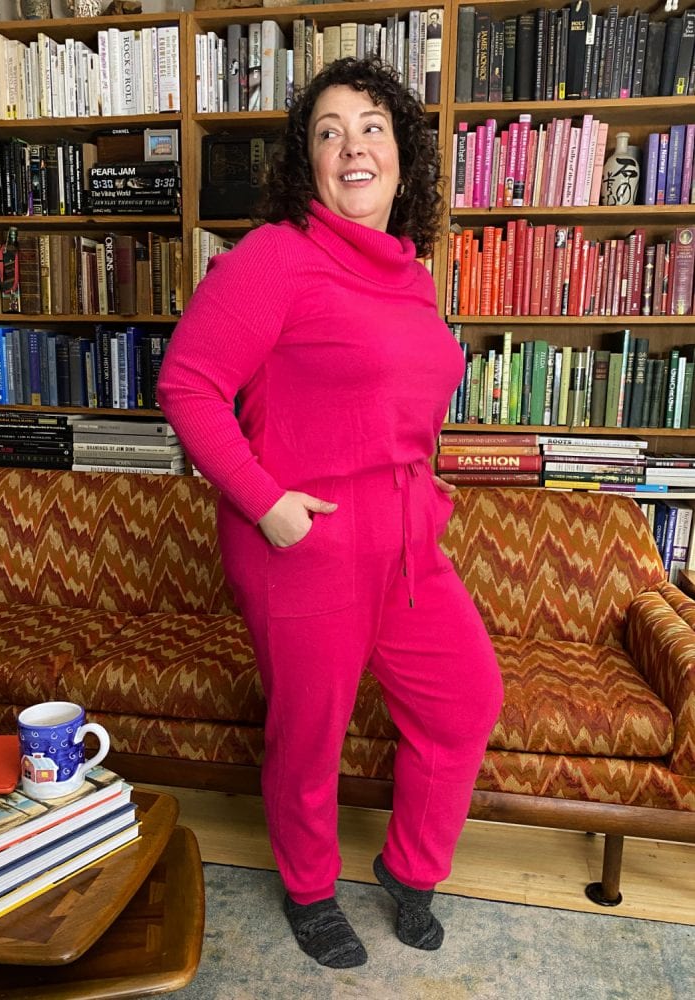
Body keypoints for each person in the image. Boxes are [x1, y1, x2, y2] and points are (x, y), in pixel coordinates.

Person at [157, 58, 503, 970]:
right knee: (310, 736)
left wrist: (418, 483)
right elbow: (188, 386)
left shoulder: (410, 274)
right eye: (329, 131)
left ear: (403, 156)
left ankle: (410, 868)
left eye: (372, 128)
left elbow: (397, 402)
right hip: (304, 540)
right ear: (307, 162)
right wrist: (266, 503)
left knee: (466, 699)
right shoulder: (276, 257)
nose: (354, 146)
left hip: (407, 540)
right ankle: (310, 890)